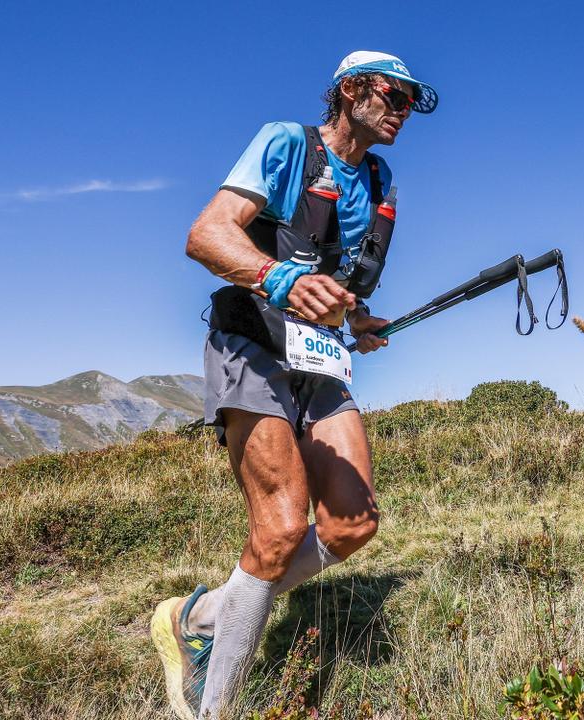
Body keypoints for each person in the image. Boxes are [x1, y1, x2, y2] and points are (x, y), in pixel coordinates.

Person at [151, 50, 437, 720]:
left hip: (320, 361)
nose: (401, 111)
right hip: (252, 344)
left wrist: (359, 320)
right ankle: (211, 705)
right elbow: (206, 235)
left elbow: (335, 286)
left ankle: (201, 615)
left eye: (409, 102)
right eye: (392, 95)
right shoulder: (287, 143)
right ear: (349, 91)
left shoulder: (380, 179)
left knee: (353, 525)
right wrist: (280, 279)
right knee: (279, 533)